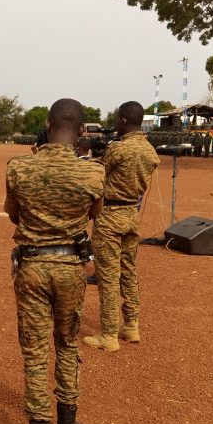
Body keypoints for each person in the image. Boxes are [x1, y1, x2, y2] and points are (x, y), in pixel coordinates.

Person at [5, 98, 105, 424]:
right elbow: (94, 214)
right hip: (70, 268)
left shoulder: (19, 167)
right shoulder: (93, 173)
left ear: (47, 125)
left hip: (31, 267)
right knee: (66, 344)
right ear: (81, 131)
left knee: (34, 352)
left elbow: (11, 211)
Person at [83, 101, 159, 352]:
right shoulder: (149, 150)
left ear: (125, 120)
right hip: (131, 214)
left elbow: (98, 175)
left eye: (117, 119)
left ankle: (108, 334)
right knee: (128, 271)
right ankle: (131, 325)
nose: (115, 123)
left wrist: (87, 158)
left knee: (107, 275)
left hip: (110, 214)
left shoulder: (119, 149)